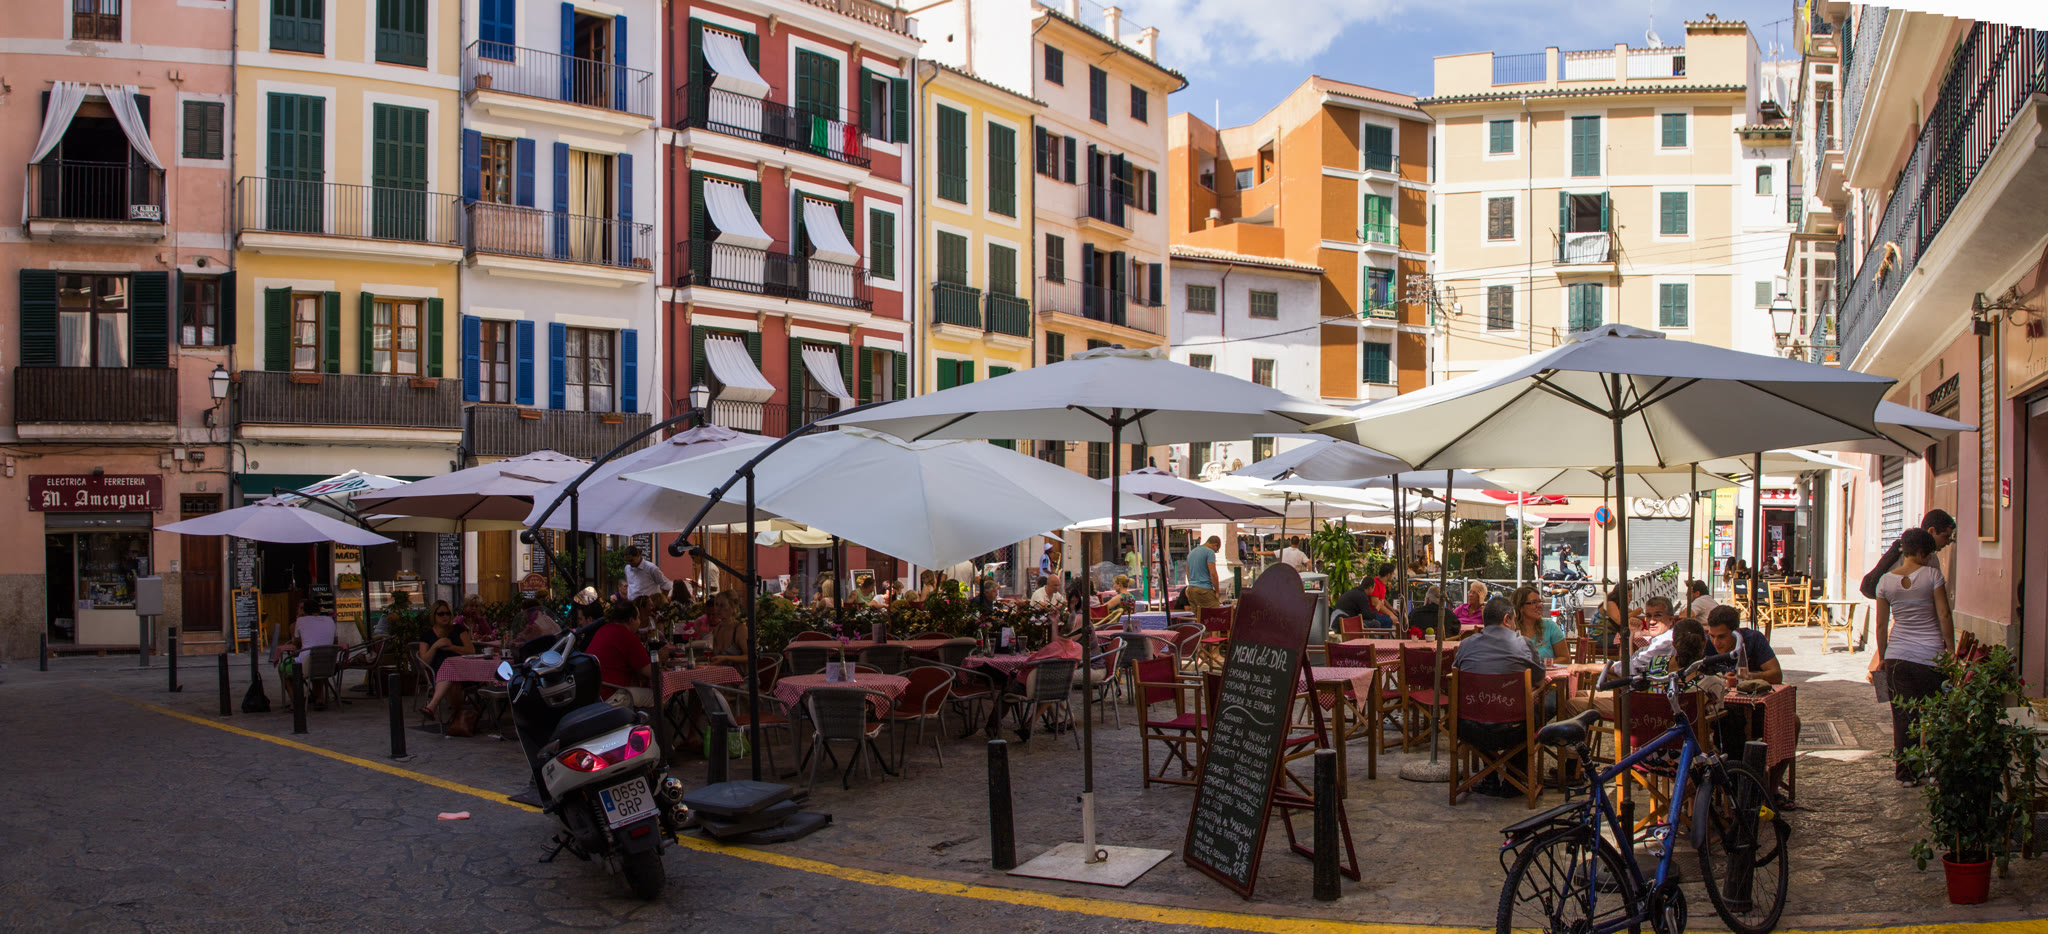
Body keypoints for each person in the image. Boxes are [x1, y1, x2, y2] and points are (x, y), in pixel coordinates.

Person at [1875, 527, 1954, 785]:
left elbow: (1881, 625)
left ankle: (1907, 774)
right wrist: (1951, 650)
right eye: (1929, 553)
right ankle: (1935, 770)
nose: (1930, 558)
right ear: (1921, 553)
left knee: (1903, 717)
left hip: (1898, 657)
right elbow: (1944, 614)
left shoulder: (1885, 582)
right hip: (1931, 656)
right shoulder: (1932, 576)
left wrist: (1883, 656)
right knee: (1934, 713)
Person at [1453, 596, 1550, 797]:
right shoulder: (1522, 644)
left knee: (1483, 709)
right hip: (1513, 730)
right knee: (1537, 709)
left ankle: (1490, 776)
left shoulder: (1465, 644)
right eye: (1514, 619)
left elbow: (1455, 675)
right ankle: (1515, 778)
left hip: (1468, 728)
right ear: (1507, 619)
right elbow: (1540, 680)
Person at [1859, 509, 1957, 600]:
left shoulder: (1928, 557)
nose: (1948, 542)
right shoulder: (1911, 556)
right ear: (1931, 531)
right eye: (1945, 536)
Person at [584, 602, 654, 705]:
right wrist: (661, 659)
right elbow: (650, 671)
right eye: (638, 618)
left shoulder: (603, 629)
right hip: (609, 695)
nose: (640, 621)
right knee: (657, 695)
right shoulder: (628, 636)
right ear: (631, 620)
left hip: (591, 694)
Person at [415, 600, 476, 718]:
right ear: (434, 615)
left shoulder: (458, 629)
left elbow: (471, 650)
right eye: (441, 614)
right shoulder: (427, 635)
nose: (445, 616)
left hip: (462, 669)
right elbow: (423, 663)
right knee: (453, 680)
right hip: (438, 673)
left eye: (448, 613)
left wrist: (451, 647)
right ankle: (457, 717)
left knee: (452, 672)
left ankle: (432, 706)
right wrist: (435, 646)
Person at [281, 598, 339, 707]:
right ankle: (319, 698)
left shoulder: (300, 621)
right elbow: (335, 642)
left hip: (307, 665)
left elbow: (297, 644)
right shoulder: (330, 620)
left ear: (305, 611)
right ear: (319, 609)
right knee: (317, 662)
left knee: (283, 667)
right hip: (329, 665)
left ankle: (296, 701)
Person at [1701, 605, 1781, 684]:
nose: (1716, 642)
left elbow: (1777, 675)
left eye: (1721, 637)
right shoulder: (1706, 643)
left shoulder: (1754, 639)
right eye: (1712, 636)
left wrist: (1748, 677)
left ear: (1737, 632)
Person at [1512, 584, 1566, 661]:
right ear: (1520, 607)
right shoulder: (1510, 629)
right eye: (1533, 602)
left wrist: (1544, 665)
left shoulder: (1550, 627)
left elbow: (1565, 658)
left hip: (1546, 669)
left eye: (1540, 601)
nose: (1539, 605)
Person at [1184, 536, 1223, 609]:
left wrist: (1192, 584)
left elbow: (1188, 572)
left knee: (1198, 614)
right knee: (1215, 612)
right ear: (1215, 545)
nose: (1215, 552)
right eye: (1216, 550)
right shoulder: (1209, 552)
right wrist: (1217, 591)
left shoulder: (1192, 552)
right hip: (1204, 589)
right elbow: (1213, 574)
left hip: (1191, 589)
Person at [1368, 563, 1399, 630]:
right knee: (1388, 620)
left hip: (1381, 613)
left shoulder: (1382, 583)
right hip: (1374, 614)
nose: (1394, 575)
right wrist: (1390, 614)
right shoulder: (1375, 583)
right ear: (1388, 575)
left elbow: (1382, 599)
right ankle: (1385, 636)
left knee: (1400, 616)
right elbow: (1375, 602)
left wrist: (1392, 609)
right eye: (1393, 574)